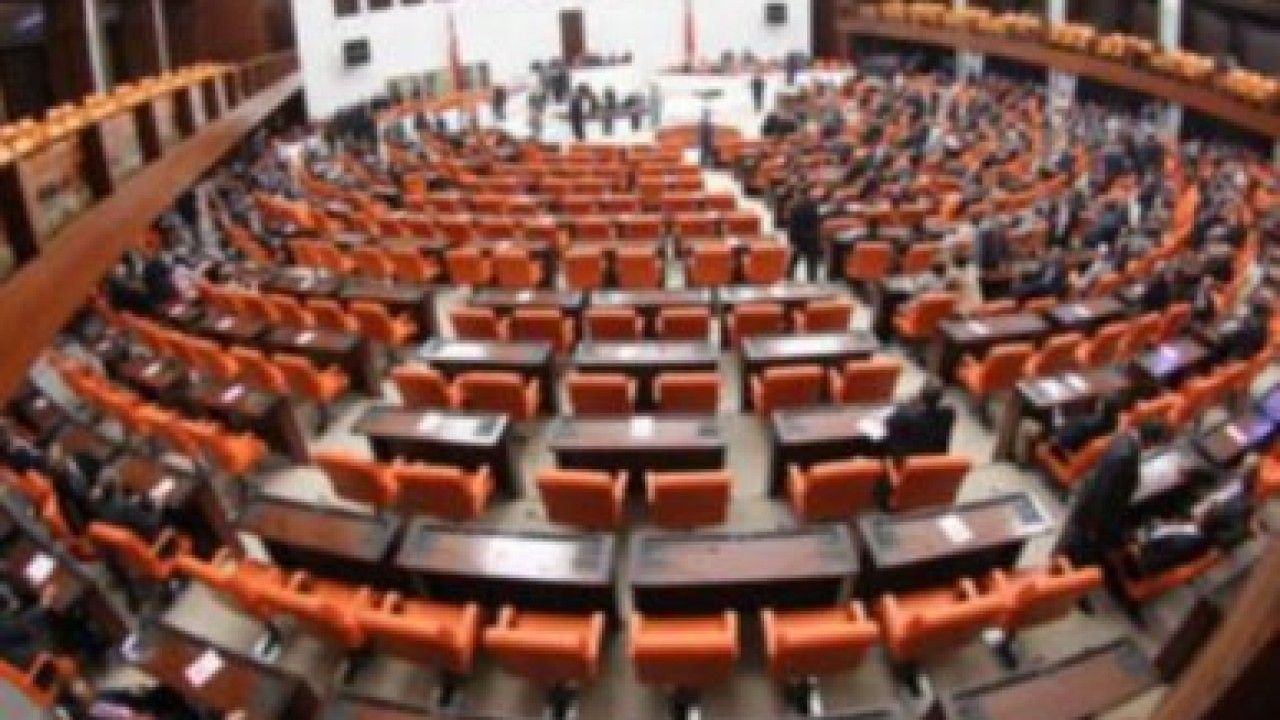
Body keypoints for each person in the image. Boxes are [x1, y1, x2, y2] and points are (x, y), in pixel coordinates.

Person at [1059, 420, 1167, 566]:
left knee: (1068, 547)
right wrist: (1095, 527)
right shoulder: (1126, 456)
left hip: (1087, 507)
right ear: (1151, 442)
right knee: (1072, 555)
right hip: (1092, 518)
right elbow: (1105, 491)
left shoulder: (1123, 440)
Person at [884, 378, 956, 459]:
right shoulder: (948, 414)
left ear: (920, 394)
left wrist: (904, 406)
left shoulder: (903, 417)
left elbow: (889, 422)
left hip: (907, 460)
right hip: (935, 459)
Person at [787, 186, 822, 281]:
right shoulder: (808, 205)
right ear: (809, 192)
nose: (820, 193)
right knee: (811, 261)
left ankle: (789, 276)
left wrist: (792, 240)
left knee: (796, 259)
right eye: (817, 191)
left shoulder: (798, 204)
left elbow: (792, 225)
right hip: (808, 237)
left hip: (801, 236)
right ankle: (812, 279)